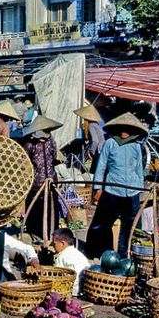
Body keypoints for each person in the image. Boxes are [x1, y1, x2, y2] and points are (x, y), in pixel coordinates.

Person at [87, 113, 147, 258]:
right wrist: (98, 188)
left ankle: (124, 254)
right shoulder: (110, 143)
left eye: (127, 129)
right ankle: (103, 253)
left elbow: (139, 169)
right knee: (103, 224)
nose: (124, 133)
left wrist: (140, 188)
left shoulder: (136, 146)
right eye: (122, 129)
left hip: (132, 191)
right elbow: (101, 166)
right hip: (112, 190)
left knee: (129, 226)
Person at [23, 116, 62, 240]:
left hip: (51, 181)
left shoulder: (51, 142)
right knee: (36, 211)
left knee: (52, 210)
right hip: (36, 184)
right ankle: (35, 235)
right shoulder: (30, 144)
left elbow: (54, 158)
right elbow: (25, 162)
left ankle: (52, 234)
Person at [49, 227, 91, 296]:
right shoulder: (78, 254)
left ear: (62, 243)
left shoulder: (61, 257)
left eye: (54, 244)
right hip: (84, 288)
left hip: (73, 290)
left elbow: (57, 278)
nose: (53, 246)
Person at [74, 103, 105, 175]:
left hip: (99, 150)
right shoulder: (96, 124)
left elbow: (95, 141)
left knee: (95, 171)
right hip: (102, 148)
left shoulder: (91, 125)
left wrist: (91, 152)